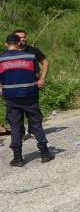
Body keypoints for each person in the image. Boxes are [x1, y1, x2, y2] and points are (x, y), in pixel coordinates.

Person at [1, 34, 52, 166]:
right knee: (36, 124)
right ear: (19, 43)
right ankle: (45, 153)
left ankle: (18, 158)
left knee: (15, 126)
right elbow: (36, 74)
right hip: (30, 95)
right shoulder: (30, 57)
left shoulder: (1, 59)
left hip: (11, 97)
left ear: (6, 44)